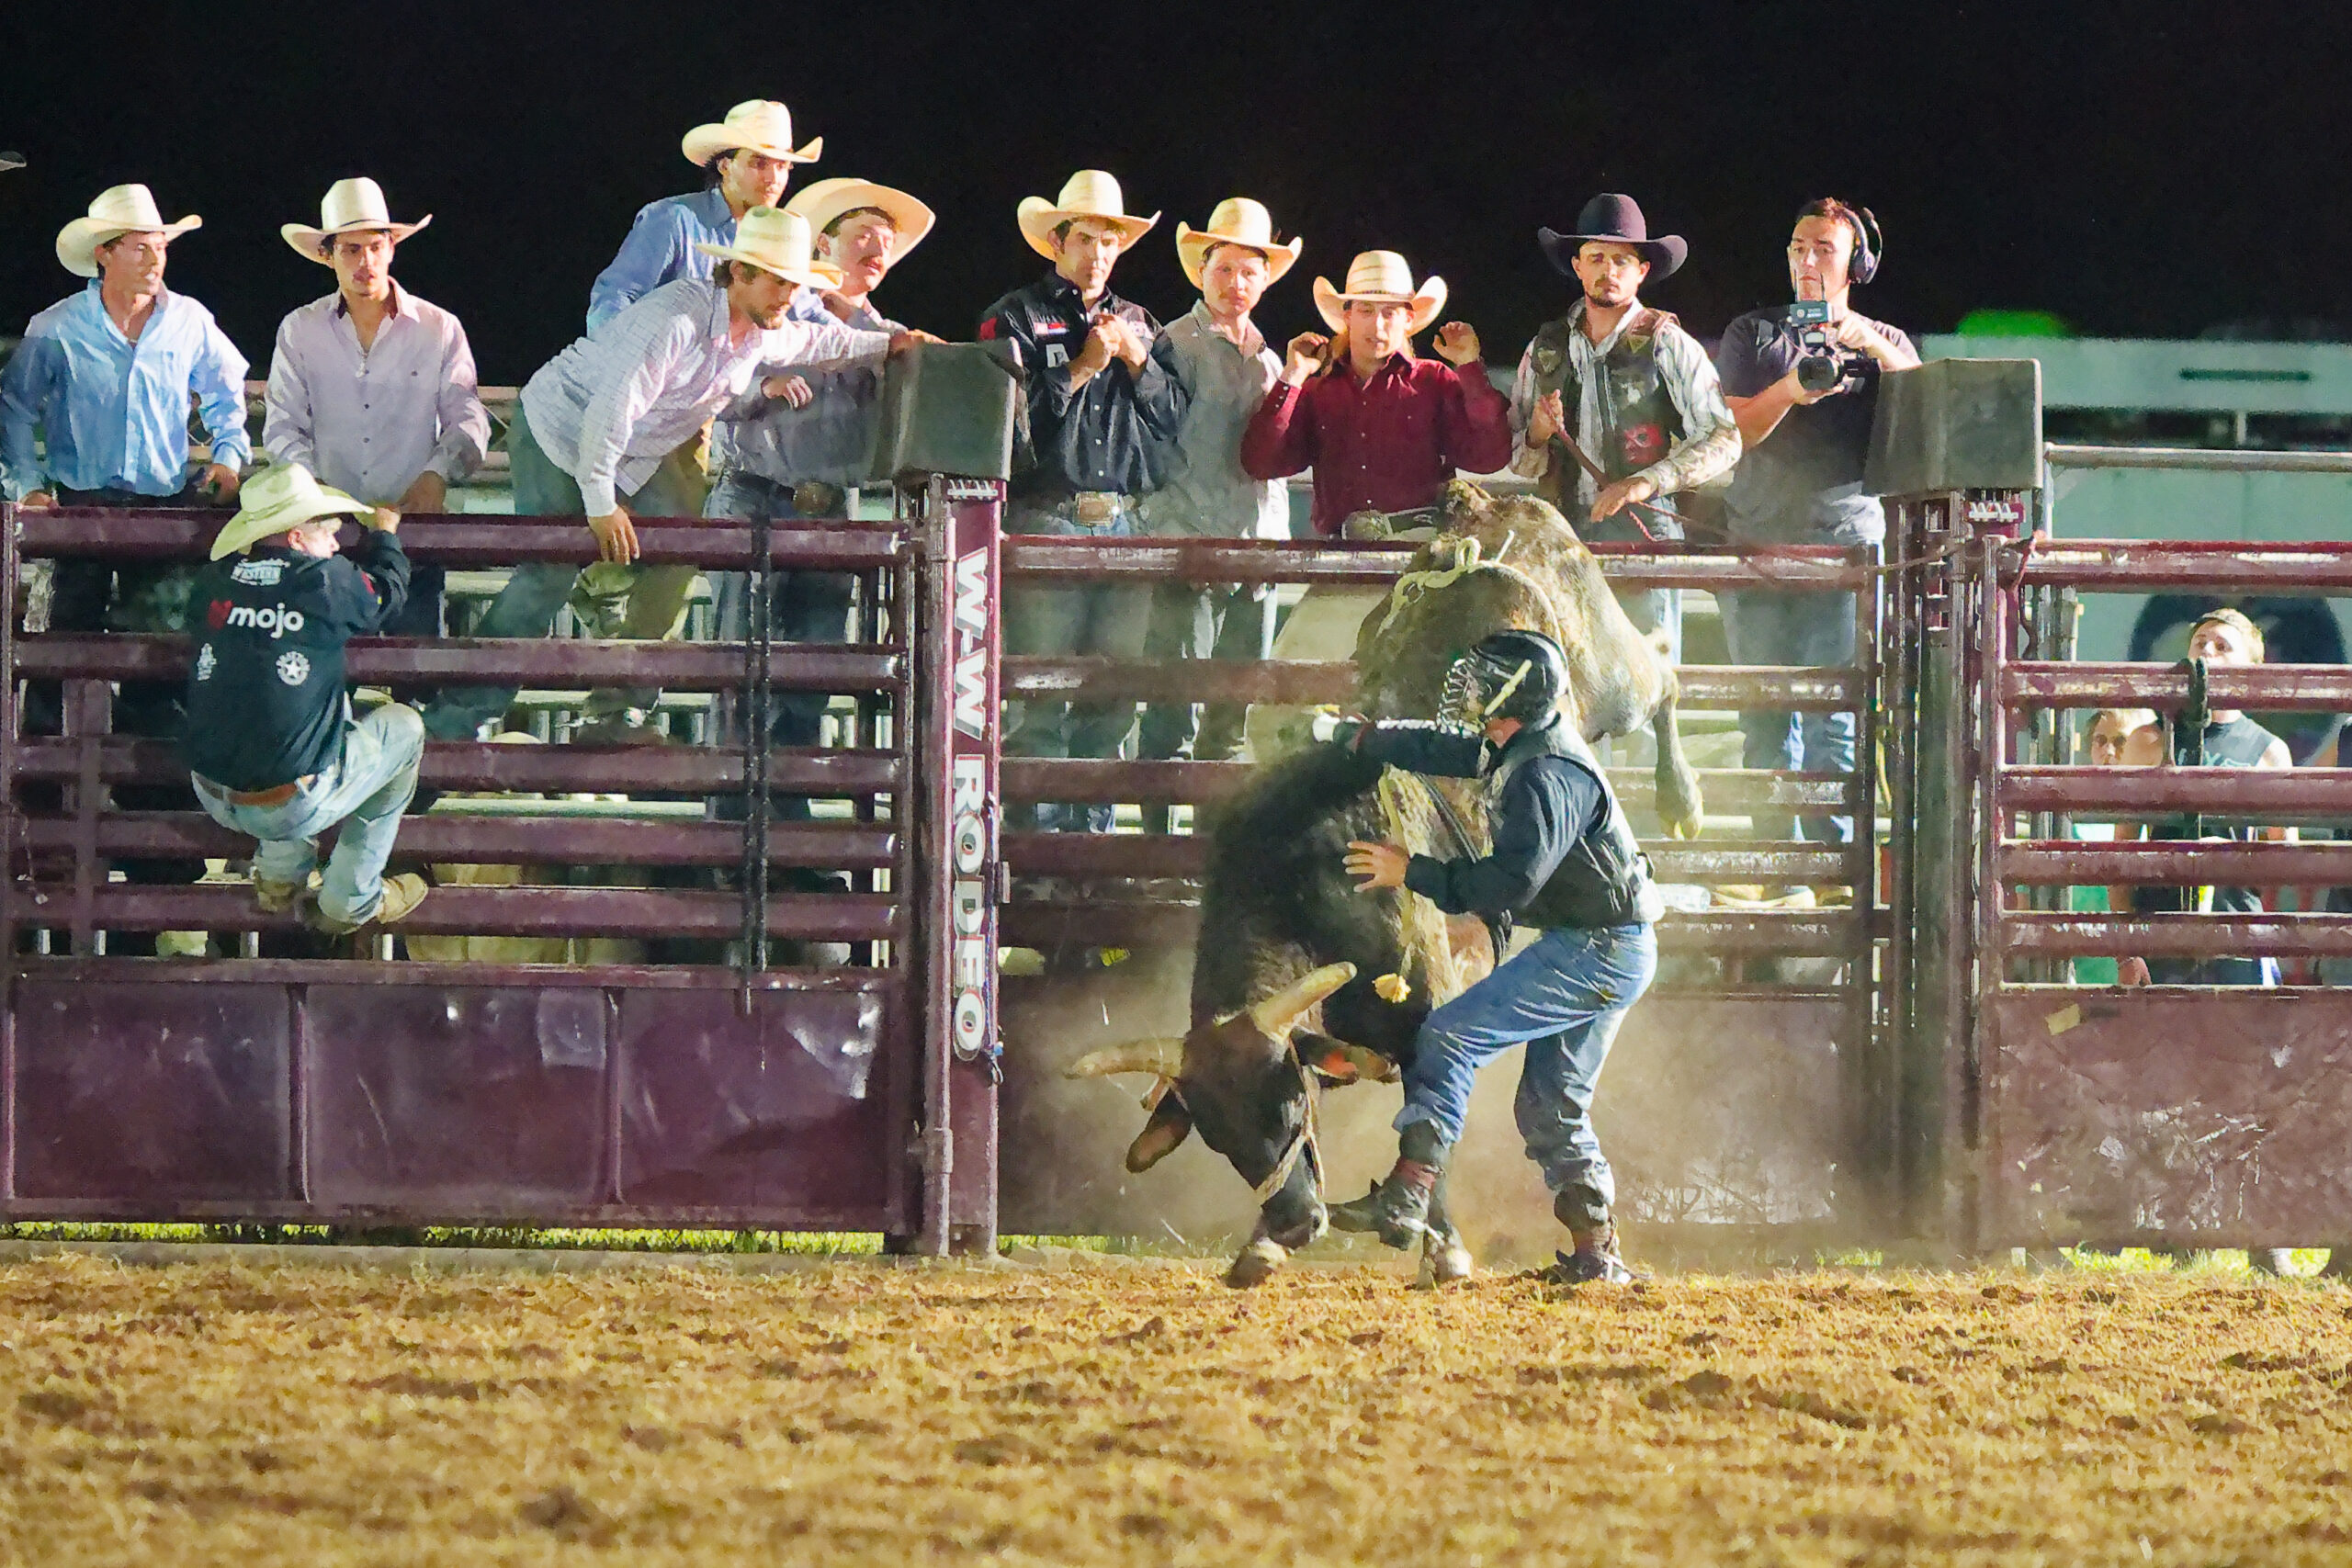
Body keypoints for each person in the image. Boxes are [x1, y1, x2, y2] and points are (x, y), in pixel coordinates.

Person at [419, 207, 928, 746]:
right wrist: (600, 504)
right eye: (779, 282)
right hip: (560, 431)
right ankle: (455, 722)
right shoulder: (677, 321)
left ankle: (615, 712)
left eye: (793, 284)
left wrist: (889, 343)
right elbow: (609, 412)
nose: (788, 296)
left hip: (635, 448)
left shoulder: (757, 331)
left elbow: (821, 344)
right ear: (740, 274)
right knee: (550, 568)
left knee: (680, 553)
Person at [1327, 630, 1665, 1285]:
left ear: (1515, 692)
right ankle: (1597, 1253)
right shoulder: (1520, 745)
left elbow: (1510, 884)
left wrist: (1411, 870)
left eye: (1484, 677)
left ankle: (1409, 1190)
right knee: (1551, 1103)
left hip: (1597, 947)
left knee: (1451, 1034)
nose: (1468, 685)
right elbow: (1448, 747)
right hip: (1609, 941)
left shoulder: (1544, 774)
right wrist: (1370, 739)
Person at [707, 175, 934, 833]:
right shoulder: (774, 314)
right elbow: (707, 393)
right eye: (864, 234)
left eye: (886, 241)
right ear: (828, 243)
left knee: (809, 679)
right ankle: (732, 834)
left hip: (826, 511)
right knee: (743, 669)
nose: (877, 247)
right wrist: (763, 388)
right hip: (758, 495)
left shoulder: (890, 339)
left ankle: (784, 832)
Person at [978, 171, 1185, 832]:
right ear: (1057, 243)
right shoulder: (1014, 316)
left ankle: (1086, 863)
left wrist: (1139, 366)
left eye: (1110, 240)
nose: (1099, 252)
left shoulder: (1142, 323)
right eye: (1087, 239)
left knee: (1110, 699)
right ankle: (1030, 858)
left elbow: (1174, 422)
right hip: (1046, 519)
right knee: (1037, 696)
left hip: (1122, 523)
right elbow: (1005, 429)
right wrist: (1083, 366)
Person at [1713, 198, 1919, 855]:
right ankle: (1775, 861)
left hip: (1845, 550)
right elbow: (1734, 433)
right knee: (1763, 718)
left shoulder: (1884, 340)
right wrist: (1792, 391)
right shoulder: (1753, 332)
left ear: (1856, 263)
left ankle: (1836, 865)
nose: (1807, 261)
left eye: (1823, 249)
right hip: (1757, 545)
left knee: (1836, 717)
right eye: (1799, 247)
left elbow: (1929, 415)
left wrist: (1875, 349)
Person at [2, 184, 250, 683]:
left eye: (159, 246)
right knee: (66, 644)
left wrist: (229, 455)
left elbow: (228, 393)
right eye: (140, 247)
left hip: (161, 503)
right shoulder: (56, 327)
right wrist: (25, 484)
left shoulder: (189, 320)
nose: (154, 259)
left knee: (161, 646)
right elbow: (14, 408)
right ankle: (58, 745)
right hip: (79, 505)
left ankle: (148, 741)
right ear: (105, 253)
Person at [184, 463, 427, 933]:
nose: (336, 546)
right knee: (403, 731)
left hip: (210, 790)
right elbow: (387, 594)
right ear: (297, 538)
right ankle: (349, 901)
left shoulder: (214, 582)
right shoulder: (325, 581)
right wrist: (384, 535)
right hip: (285, 804)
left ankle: (278, 876)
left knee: (283, 700)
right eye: (328, 532)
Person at [1509, 196, 1738, 667]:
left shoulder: (1668, 343)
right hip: (1562, 530)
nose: (1608, 270)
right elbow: (1519, 458)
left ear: (1641, 271)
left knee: (1645, 673)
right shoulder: (1545, 348)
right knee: (1569, 673)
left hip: (1643, 531)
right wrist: (1536, 432)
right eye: (1596, 258)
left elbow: (1723, 437)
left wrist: (1646, 482)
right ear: (1577, 266)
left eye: (1621, 260)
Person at [265, 178, 490, 643]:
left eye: (374, 247)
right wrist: (314, 488)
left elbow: (467, 415)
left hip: (411, 525)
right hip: (330, 531)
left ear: (391, 250)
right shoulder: (299, 330)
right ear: (328, 255)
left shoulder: (439, 328)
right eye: (351, 250)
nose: (365, 262)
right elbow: (283, 423)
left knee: (413, 661)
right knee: (332, 667)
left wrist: (437, 474)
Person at [1136, 198, 1300, 798]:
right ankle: (1157, 854)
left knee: (1233, 712)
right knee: (1175, 711)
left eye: (1249, 271)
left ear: (1264, 279)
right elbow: (1152, 444)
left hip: (1253, 550)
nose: (1237, 283)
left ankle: (1204, 854)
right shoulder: (1173, 344)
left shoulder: (1270, 358)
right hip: (1192, 549)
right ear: (1203, 272)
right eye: (1225, 269)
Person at [1240, 249, 1510, 538]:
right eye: (1366, 310)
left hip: (1422, 555)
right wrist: (1293, 374)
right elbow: (1261, 462)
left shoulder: (1434, 381)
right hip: (1339, 554)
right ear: (1348, 316)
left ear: (1408, 319)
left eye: (1389, 312)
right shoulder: (1317, 393)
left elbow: (1489, 457)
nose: (1377, 325)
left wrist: (1469, 366)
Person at [2118, 609, 2290, 989]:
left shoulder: (2269, 751)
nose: (2207, 652)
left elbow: (2287, 863)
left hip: (2238, 942)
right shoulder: (2149, 740)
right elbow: (2120, 856)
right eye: (2200, 643)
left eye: (2223, 646)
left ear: (2250, 667)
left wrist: (2230, 856)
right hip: (2158, 938)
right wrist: (2128, 953)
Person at [587, 99, 821, 331]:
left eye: (782, 166)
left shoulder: (779, 236)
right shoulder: (673, 219)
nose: (773, 179)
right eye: (759, 164)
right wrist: (626, 358)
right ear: (725, 166)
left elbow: (808, 314)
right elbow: (615, 296)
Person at [2071, 706, 2164, 986]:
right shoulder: (2069, 815)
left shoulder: (2158, 818)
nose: (2108, 751)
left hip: (2149, 975)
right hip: (2083, 982)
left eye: (2122, 741)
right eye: (2100, 740)